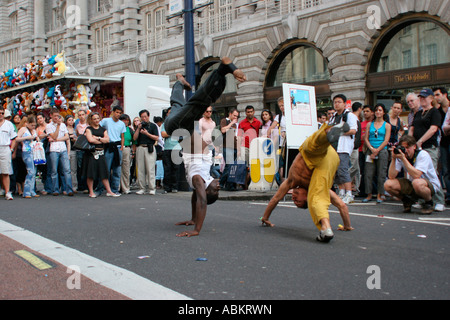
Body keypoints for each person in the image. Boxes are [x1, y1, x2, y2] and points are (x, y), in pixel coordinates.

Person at [164, 57, 246, 237]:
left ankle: (224, 69)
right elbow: (196, 198)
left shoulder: (198, 180)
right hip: (180, 128)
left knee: (197, 104)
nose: (218, 186)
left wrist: (196, 229)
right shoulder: (203, 177)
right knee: (179, 105)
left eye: (215, 190)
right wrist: (193, 218)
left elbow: (200, 199)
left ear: (206, 189)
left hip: (180, 128)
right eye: (218, 188)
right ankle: (180, 83)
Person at [261, 122, 353, 243]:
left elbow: (275, 199)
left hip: (317, 152)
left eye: (295, 200)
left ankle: (327, 134)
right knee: (318, 197)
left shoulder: (291, 181)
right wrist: (347, 225)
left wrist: (265, 217)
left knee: (310, 147)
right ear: (306, 198)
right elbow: (341, 205)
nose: (294, 197)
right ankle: (326, 228)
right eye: (298, 200)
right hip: (329, 157)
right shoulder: (314, 188)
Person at [384, 135, 441, 215]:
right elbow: (391, 176)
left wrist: (404, 159)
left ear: (414, 146)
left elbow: (417, 175)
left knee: (417, 182)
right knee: (388, 184)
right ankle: (407, 201)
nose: (405, 150)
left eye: (407, 147)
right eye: (403, 148)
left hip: (429, 185)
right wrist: (393, 158)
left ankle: (428, 202)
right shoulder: (401, 155)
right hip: (414, 184)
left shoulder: (422, 154)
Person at [408, 88, 445, 211]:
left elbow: (433, 129)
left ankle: (439, 200)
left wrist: (420, 141)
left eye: (425, 97)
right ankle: (423, 199)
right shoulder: (418, 113)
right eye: (421, 97)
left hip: (429, 147)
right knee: (418, 174)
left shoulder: (435, 112)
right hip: (417, 149)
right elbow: (412, 129)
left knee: (432, 173)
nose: (422, 99)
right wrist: (410, 142)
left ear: (431, 98)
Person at [82, 112, 120, 198]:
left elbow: (107, 140)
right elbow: (90, 140)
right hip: (91, 153)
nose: (96, 120)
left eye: (97, 118)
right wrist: (101, 140)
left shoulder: (103, 129)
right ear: (91, 120)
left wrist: (98, 138)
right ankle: (91, 192)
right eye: (94, 119)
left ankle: (109, 191)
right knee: (90, 174)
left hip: (101, 153)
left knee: (104, 173)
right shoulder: (89, 129)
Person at [330, 94, 358, 204]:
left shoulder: (349, 116)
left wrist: (339, 132)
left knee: (343, 169)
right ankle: (341, 192)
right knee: (336, 171)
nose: (337, 104)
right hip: (333, 147)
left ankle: (349, 194)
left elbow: (353, 130)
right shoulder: (333, 116)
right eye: (335, 102)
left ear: (344, 103)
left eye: (339, 102)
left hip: (343, 147)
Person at [363, 103, 391, 203]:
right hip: (370, 150)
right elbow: (366, 138)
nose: (378, 112)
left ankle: (380, 194)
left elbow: (386, 140)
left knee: (381, 173)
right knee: (368, 173)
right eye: (376, 110)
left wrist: (377, 150)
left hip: (382, 150)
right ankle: (369, 194)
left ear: (383, 112)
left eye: (380, 110)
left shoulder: (387, 125)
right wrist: (371, 149)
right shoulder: (369, 124)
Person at [98, 106, 126, 195]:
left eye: (120, 113)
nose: (118, 114)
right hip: (108, 145)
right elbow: (98, 127)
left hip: (117, 147)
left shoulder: (121, 124)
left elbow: (122, 137)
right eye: (117, 112)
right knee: (106, 169)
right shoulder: (106, 121)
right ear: (113, 112)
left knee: (117, 169)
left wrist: (122, 147)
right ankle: (101, 189)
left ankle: (114, 189)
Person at [46, 108, 73, 196]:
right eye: (55, 116)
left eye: (58, 116)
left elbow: (66, 137)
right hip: (54, 149)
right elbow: (53, 136)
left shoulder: (63, 125)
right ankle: (55, 189)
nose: (56, 118)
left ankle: (69, 189)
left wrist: (57, 139)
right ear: (51, 116)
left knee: (67, 170)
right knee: (54, 171)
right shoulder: (49, 126)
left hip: (63, 148)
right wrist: (57, 126)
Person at [133, 109, 159, 195]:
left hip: (150, 148)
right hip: (140, 147)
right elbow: (134, 138)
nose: (144, 119)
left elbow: (156, 138)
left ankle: (152, 188)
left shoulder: (153, 126)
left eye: (145, 116)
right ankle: (142, 188)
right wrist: (138, 128)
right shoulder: (139, 126)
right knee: (140, 168)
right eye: (142, 117)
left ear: (148, 116)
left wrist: (147, 133)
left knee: (150, 168)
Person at [15, 115, 40, 198]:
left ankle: (32, 190)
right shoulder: (23, 129)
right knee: (30, 171)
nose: (33, 126)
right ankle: (26, 191)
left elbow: (36, 138)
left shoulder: (33, 130)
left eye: (34, 125)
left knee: (34, 172)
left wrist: (37, 139)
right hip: (26, 151)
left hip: (34, 151)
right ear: (28, 123)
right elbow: (17, 139)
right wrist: (26, 137)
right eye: (32, 125)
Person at [238, 105, 261, 188]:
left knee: (253, 165)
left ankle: (252, 183)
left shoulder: (258, 122)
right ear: (245, 113)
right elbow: (239, 136)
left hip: (255, 147)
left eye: (251, 111)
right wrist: (239, 149)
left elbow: (260, 135)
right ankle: (243, 184)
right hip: (244, 146)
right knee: (244, 166)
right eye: (248, 112)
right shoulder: (242, 123)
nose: (250, 113)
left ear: (254, 112)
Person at [434, 87, 450, 205]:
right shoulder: (438, 111)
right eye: (434, 95)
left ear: (445, 94)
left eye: (438, 95)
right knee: (446, 170)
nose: (436, 97)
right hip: (444, 143)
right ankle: (449, 195)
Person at [161, 108, 181, 194]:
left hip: (177, 148)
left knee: (176, 169)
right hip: (167, 149)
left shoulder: (179, 123)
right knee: (167, 169)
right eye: (169, 113)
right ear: (167, 114)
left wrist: (169, 133)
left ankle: (174, 187)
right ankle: (167, 187)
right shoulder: (164, 124)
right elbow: (163, 134)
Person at [219, 108, 239, 191]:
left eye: (237, 116)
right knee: (229, 166)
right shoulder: (225, 121)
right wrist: (231, 123)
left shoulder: (235, 124)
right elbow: (223, 130)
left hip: (234, 146)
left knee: (232, 167)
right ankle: (220, 183)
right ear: (230, 114)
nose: (235, 118)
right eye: (234, 115)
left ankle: (229, 185)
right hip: (227, 146)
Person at [0, 108, 17, 200]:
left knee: (5, 171)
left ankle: (7, 192)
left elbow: (13, 138)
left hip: (5, 148)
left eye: (2, 113)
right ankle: (2, 189)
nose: (1, 115)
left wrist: (11, 149)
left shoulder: (9, 124)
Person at [119, 114, 135, 194]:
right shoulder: (117, 128)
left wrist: (133, 152)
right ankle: (117, 187)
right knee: (117, 169)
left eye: (127, 120)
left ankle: (126, 187)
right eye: (123, 120)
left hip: (127, 148)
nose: (125, 122)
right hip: (118, 148)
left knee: (126, 169)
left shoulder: (129, 130)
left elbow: (134, 141)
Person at [349, 102, 362, 195]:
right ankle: (343, 182)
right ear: (360, 109)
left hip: (356, 147)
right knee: (353, 167)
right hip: (352, 147)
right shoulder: (353, 118)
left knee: (356, 168)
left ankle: (356, 187)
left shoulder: (356, 119)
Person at [74, 109, 88, 193]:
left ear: (85, 115)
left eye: (83, 114)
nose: (81, 116)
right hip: (80, 148)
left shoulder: (88, 124)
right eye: (79, 115)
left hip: (87, 147)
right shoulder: (77, 125)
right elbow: (77, 135)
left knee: (87, 166)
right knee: (80, 166)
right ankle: (81, 185)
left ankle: (87, 185)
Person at [65, 115, 78, 191]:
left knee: (73, 170)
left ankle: (74, 186)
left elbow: (77, 140)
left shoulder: (75, 130)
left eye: (72, 120)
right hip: (65, 150)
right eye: (69, 120)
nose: (71, 122)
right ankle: (66, 186)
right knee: (66, 170)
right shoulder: (64, 129)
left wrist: (74, 139)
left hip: (73, 149)